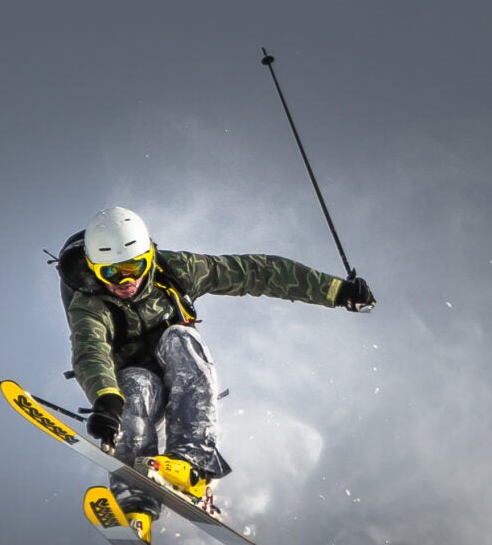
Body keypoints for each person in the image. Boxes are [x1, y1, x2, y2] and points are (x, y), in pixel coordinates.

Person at [59, 205, 374, 520]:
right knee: (136, 386)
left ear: (150, 257)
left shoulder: (174, 271)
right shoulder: (89, 304)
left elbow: (255, 272)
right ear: (93, 269)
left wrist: (337, 291)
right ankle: (135, 503)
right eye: (111, 272)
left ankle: (189, 463)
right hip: (132, 392)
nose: (125, 281)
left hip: (186, 381)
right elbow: (91, 349)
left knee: (179, 337)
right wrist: (106, 399)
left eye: (134, 267)